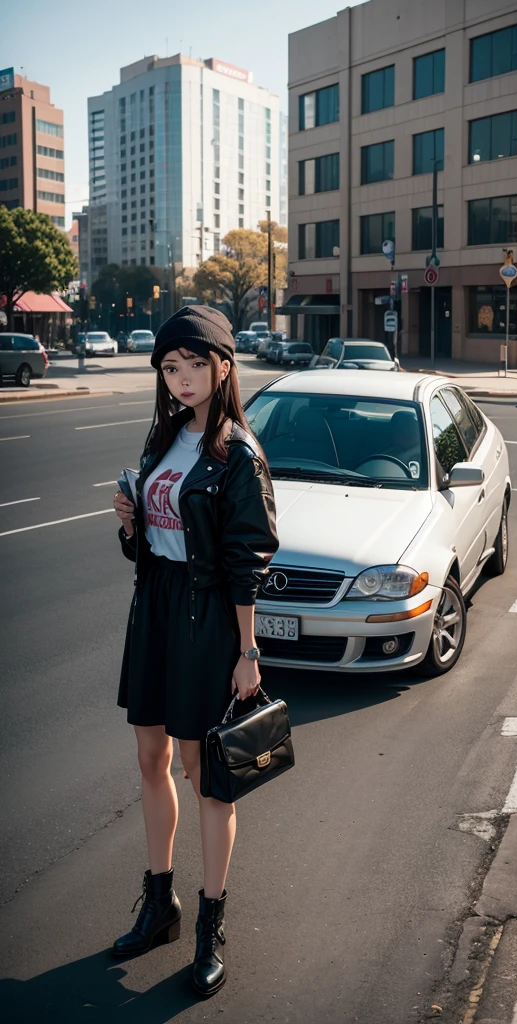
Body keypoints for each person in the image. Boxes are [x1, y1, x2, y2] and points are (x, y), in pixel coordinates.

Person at [112, 305, 279, 996]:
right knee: (150, 756)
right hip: (155, 608)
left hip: (208, 617)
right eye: (170, 367)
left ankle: (211, 922)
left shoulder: (239, 453)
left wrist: (247, 651)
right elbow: (150, 544)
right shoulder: (164, 436)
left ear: (223, 365)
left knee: (202, 769)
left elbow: (248, 558)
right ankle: (161, 904)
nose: (180, 379)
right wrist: (130, 524)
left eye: (193, 364)